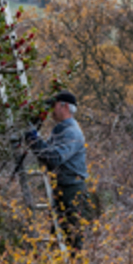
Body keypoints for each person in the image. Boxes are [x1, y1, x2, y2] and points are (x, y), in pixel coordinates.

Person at [26, 91, 89, 246]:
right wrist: (34, 140)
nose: (51, 110)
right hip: (62, 187)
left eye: (53, 106)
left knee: (73, 239)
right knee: (58, 236)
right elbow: (46, 155)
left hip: (72, 190)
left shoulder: (72, 132)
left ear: (65, 106)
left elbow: (54, 158)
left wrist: (34, 139)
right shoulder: (60, 130)